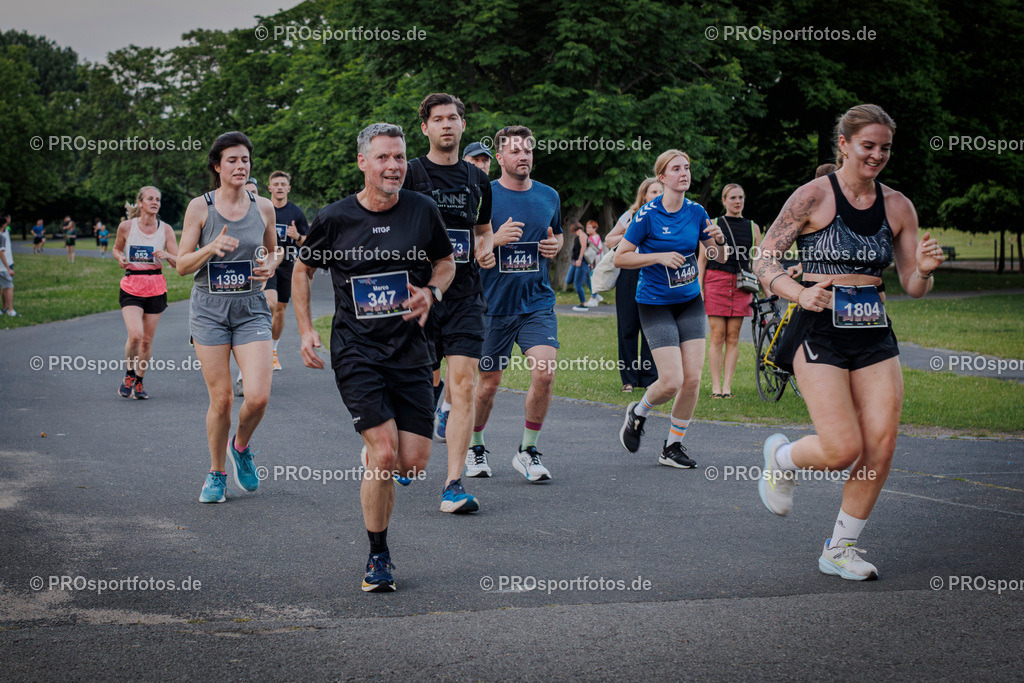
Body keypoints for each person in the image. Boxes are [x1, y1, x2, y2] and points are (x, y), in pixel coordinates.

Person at [752, 104, 945, 581]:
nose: (877, 155)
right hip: (819, 327)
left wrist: (923, 271)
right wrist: (800, 292)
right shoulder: (813, 196)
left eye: (885, 148)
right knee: (841, 448)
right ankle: (780, 458)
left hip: (874, 329)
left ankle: (840, 548)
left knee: (880, 443)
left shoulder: (898, 206)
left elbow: (912, 285)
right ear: (843, 144)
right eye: (868, 146)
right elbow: (763, 261)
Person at [292, 122, 455, 591]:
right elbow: (302, 271)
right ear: (363, 162)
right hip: (357, 350)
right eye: (383, 157)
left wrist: (432, 292)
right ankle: (378, 557)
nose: (394, 166)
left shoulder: (422, 210)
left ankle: (378, 452)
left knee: (411, 464)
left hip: (412, 351)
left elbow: (445, 262)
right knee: (383, 454)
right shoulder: (336, 217)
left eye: (400, 157)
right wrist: (305, 330)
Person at [177, 131, 281, 505]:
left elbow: (273, 251)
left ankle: (241, 446)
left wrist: (270, 264)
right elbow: (181, 266)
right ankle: (216, 472)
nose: (241, 166)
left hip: (251, 308)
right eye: (232, 160)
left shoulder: (264, 207)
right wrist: (211, 246)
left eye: (246, 160)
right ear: (217, 167)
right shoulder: (200, 208)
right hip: (209, 311)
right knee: (221, 400)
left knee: (258, 396)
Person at [404, 93, 495, 513]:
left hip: (465, 297)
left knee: (463, 385)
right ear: (424, 128)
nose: (446, 125)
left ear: (463, 125)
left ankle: (453, 483)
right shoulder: (408, 174)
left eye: (453, 118)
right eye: (437, 119)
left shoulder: (478, 181)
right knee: (417, 384)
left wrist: (486, 246)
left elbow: (482, 229)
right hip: (416, 297)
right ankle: (403, 448)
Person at [615, 149, 728, 468]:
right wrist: (657, 257)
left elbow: (719, 257)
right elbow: (621, 256)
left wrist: (718, 241)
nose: (684, 173)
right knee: (672, 379)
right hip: (654, 304)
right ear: (662, 178)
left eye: (688, 168)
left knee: (692, 379)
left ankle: (673, 446)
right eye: (676, 168)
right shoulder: (647, 214)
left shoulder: (697, 212)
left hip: (690, 301)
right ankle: (638, 412)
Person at [471, 125, 563, 482]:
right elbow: (465, 248)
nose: (523, 156)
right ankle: (475, 447)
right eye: (515, 151)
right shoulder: (484, 195)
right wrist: (491, 241)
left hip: (536, 302)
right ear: (500, 158)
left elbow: (553, 235)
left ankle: (528, 450)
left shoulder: (549, 196)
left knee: (544, 372)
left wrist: (554, 247)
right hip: (492, 305)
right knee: (489, 384)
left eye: (528, 150)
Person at [112, 187, 180, 399]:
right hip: (132, 285)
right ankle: (129, 375)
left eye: (158, 199)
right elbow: (116, 248)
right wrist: (119, 258)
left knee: (147, 341)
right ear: (140, 203)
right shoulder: (126, 226)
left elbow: (179, 261)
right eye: (150, 199)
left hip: (155, 286)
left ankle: (139, 381)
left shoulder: (166, 229)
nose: (155, 202)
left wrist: (167, 254)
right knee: (135, 335)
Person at [698, 183, 762, 398]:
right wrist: (700, 288)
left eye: (741, 197)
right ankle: (716, 388)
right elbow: (702, 260)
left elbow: (758, 262)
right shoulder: (713, 224)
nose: (737, 201)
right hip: (716, 281)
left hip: (741, 284)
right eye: (733, 198)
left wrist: (767, 288)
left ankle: (727, 388)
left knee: (733, 337)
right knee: (717, 336)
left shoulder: (753, 228)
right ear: (724, 201)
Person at [606, 178, 663, 392]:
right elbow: (609, 240)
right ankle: (628, 380)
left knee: (652, 327)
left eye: (661, 191)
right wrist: (627, 232)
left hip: (655, 273)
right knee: (628, 327)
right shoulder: (631, 216)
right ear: (644, 195)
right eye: (653, 191)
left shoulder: (668, 217)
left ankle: (649, 378)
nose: (658, 194)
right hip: (629, 273)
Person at [568, 222, 591, 312]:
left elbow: (583, 247)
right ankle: (583, 277)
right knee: (568, 280)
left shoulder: (582, 235)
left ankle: (583, 304)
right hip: (575, 262)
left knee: (577, 284)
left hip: (581, 263)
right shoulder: (577, 236)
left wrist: (580, 259)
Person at [582, 220, 604, 307]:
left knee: (591, 280)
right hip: (590, 262)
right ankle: (595, 295)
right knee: (587, 279)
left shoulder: (595, 237)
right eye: (587, 227)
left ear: (595, 228)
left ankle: (594, 298)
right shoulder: (590, 237)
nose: (587, 229)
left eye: (589, 227)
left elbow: (597, 251)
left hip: (594, 262)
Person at [0, 214, 14, 317]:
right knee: (9, 287)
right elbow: (1, 253)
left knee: (4, 287)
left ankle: (5, 308)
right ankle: (10, 310)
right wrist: (8, 268)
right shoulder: (1, 237)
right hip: (3, 267)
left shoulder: (5, 232)